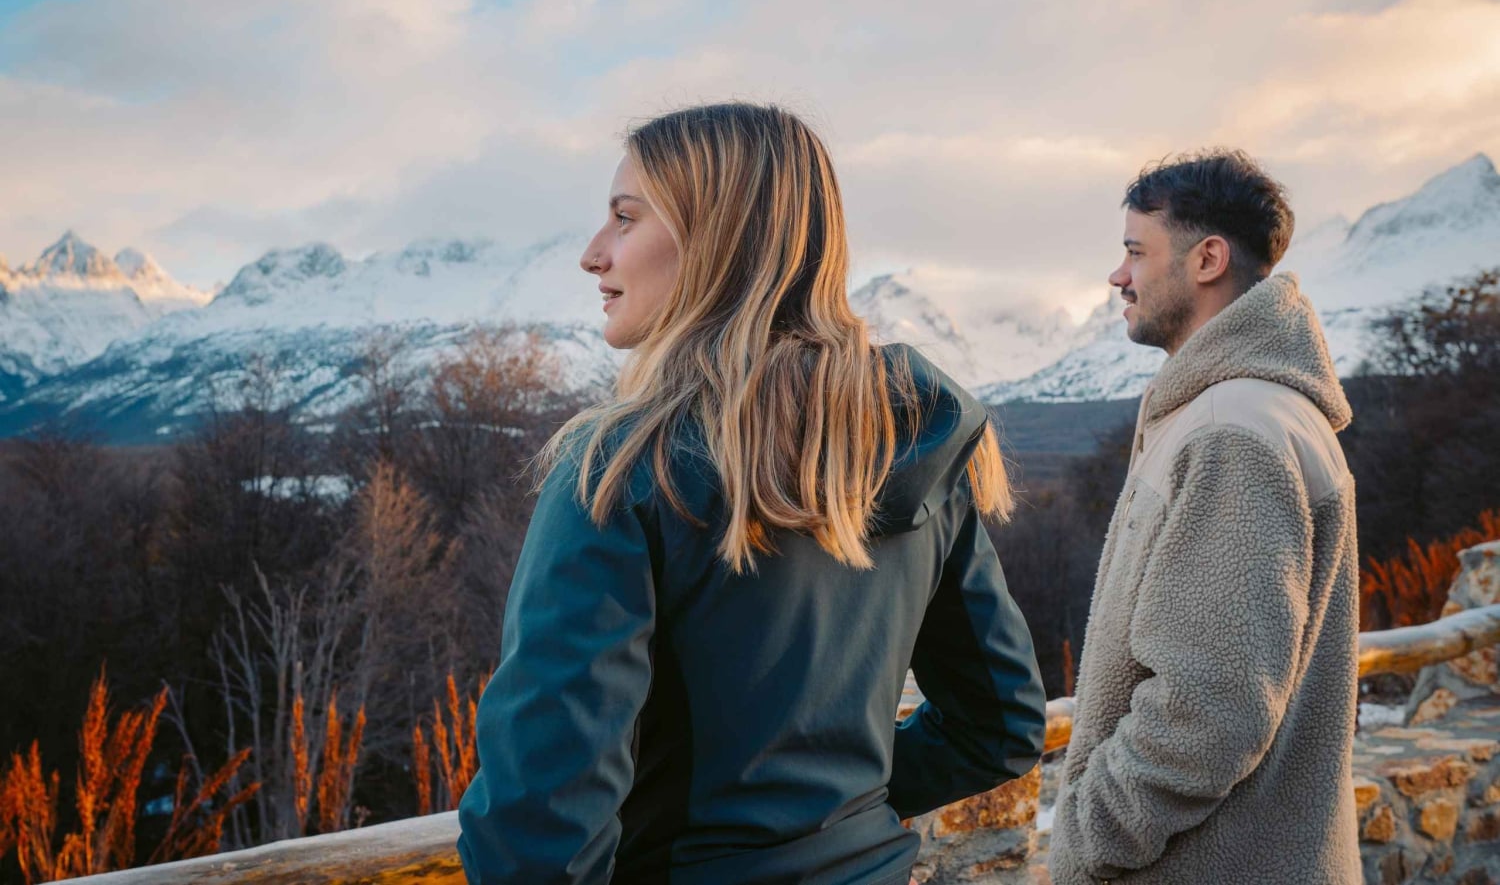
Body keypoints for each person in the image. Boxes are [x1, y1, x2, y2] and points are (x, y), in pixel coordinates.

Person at [456, 103, 1047, 885]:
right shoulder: (911, 438)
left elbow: (535, 832)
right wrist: (838, 816)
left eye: (625, 218)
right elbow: (999, 724)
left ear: (714, 242)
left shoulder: (622, 470)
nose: (593, 254)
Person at [1049, 150, 1360, 884]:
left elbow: (1209, 708)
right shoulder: (1250, 409)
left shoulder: (1232, 431)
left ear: (1208, 260)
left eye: (1136, 251)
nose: (1118, 276)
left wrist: (1087, 841)